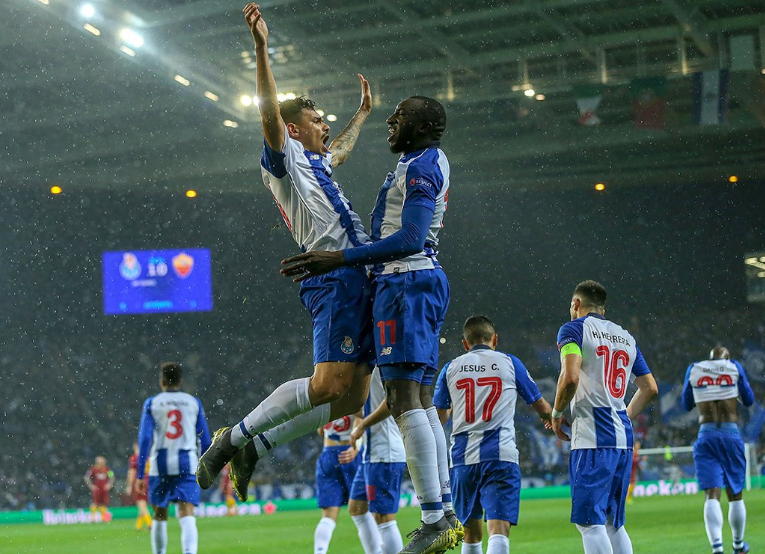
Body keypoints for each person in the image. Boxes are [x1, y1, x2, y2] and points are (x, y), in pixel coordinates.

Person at [196, 3, 376, 501]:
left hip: (356, 275)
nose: (325, 126)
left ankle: (259, 444)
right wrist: (261, 48)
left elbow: (339, 148)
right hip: (332, 278)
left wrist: (361, 115)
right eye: (317, 120)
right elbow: (271, 114)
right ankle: (232, 438)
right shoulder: (285, 159)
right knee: (324, 387)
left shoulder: (319, 163)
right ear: (294, 128)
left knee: (352, 397)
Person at [280, 80, 455, 554]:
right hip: (416, 283)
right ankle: (445, 510)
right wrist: (360, 115)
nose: (390, 123)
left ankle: (436, 516)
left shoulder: (420, 165)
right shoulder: (417, 162)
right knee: (416, 397)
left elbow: (412, 237)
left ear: (423, 126)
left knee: (403, 401)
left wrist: (341, 259)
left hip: (406, 281)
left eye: (399, 117)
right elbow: (334, 155)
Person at [551, 280, 658, 554]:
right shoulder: (625, 337)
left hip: (592, 437)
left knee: (590, 523)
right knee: (613, 523)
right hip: (621, 437)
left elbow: (570, 376)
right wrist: (623, 415)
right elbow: (649, 388)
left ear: (576, 304)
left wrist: (557, 412)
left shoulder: (573, 329)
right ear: (603, 308)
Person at [433, 316, 552, 554]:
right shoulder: (509, 363)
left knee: (470, 533)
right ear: (495, 339)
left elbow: (439, 418)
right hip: (500, 457)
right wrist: (552, 419)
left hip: (462, 460)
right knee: (498, 528)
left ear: (465, 344)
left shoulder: (451, 368)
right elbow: (542, 407)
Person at [682, 346, 755, 554]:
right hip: (730, 434)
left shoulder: (694, 368)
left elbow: (687, 404)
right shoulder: (733, 367)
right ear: (727, 358)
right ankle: (739, 546)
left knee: (712, 494)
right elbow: (748, 400)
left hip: (706, 434)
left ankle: (717, 548)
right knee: (735, 493)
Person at [136, 362, 211, 554]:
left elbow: (144, 439)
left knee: (160, 514)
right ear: (181, 380)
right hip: (187, 464)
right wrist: (207, 468)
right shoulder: (193, 402)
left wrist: (139, 474)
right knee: (187, 514)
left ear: (162, 381)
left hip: (159, 464)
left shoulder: (152, 403)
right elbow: (206, 439)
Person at [348, 367, 408, 554]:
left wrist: (363, 425)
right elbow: (364, 409)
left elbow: (391, 403)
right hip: (371, 454)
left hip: (384, 453)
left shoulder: (381, 367)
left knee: (384, 517)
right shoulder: (368, 368)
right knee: (356, 508)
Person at [314, 415, 362, 554]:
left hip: (328, 453)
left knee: (328, 515)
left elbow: (320, 431)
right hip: (350, 451)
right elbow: (360, 417)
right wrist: (357, 447)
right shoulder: (354, 393)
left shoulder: (324, 397)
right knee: (363, 511)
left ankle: (320, 551)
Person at [127, 442, 152, 530]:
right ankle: (138, 526)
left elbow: (132, 472)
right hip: (148, 481)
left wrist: (129, 485)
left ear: (135, 446)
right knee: (143, 503)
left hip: (139, 481)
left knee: (141, 503)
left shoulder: (134, 458)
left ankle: (150, 523)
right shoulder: (147, 457)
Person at [84, 455, 115, 522]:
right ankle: (93, 518)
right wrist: (91, 485)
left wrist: (109, 484)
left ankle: (103, 518)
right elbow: (86, 477)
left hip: (104, 489)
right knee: (95, 503)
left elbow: (112, 477)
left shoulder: (107, 469)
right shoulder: (93, 469)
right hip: (97, 489)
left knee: (104, 503)